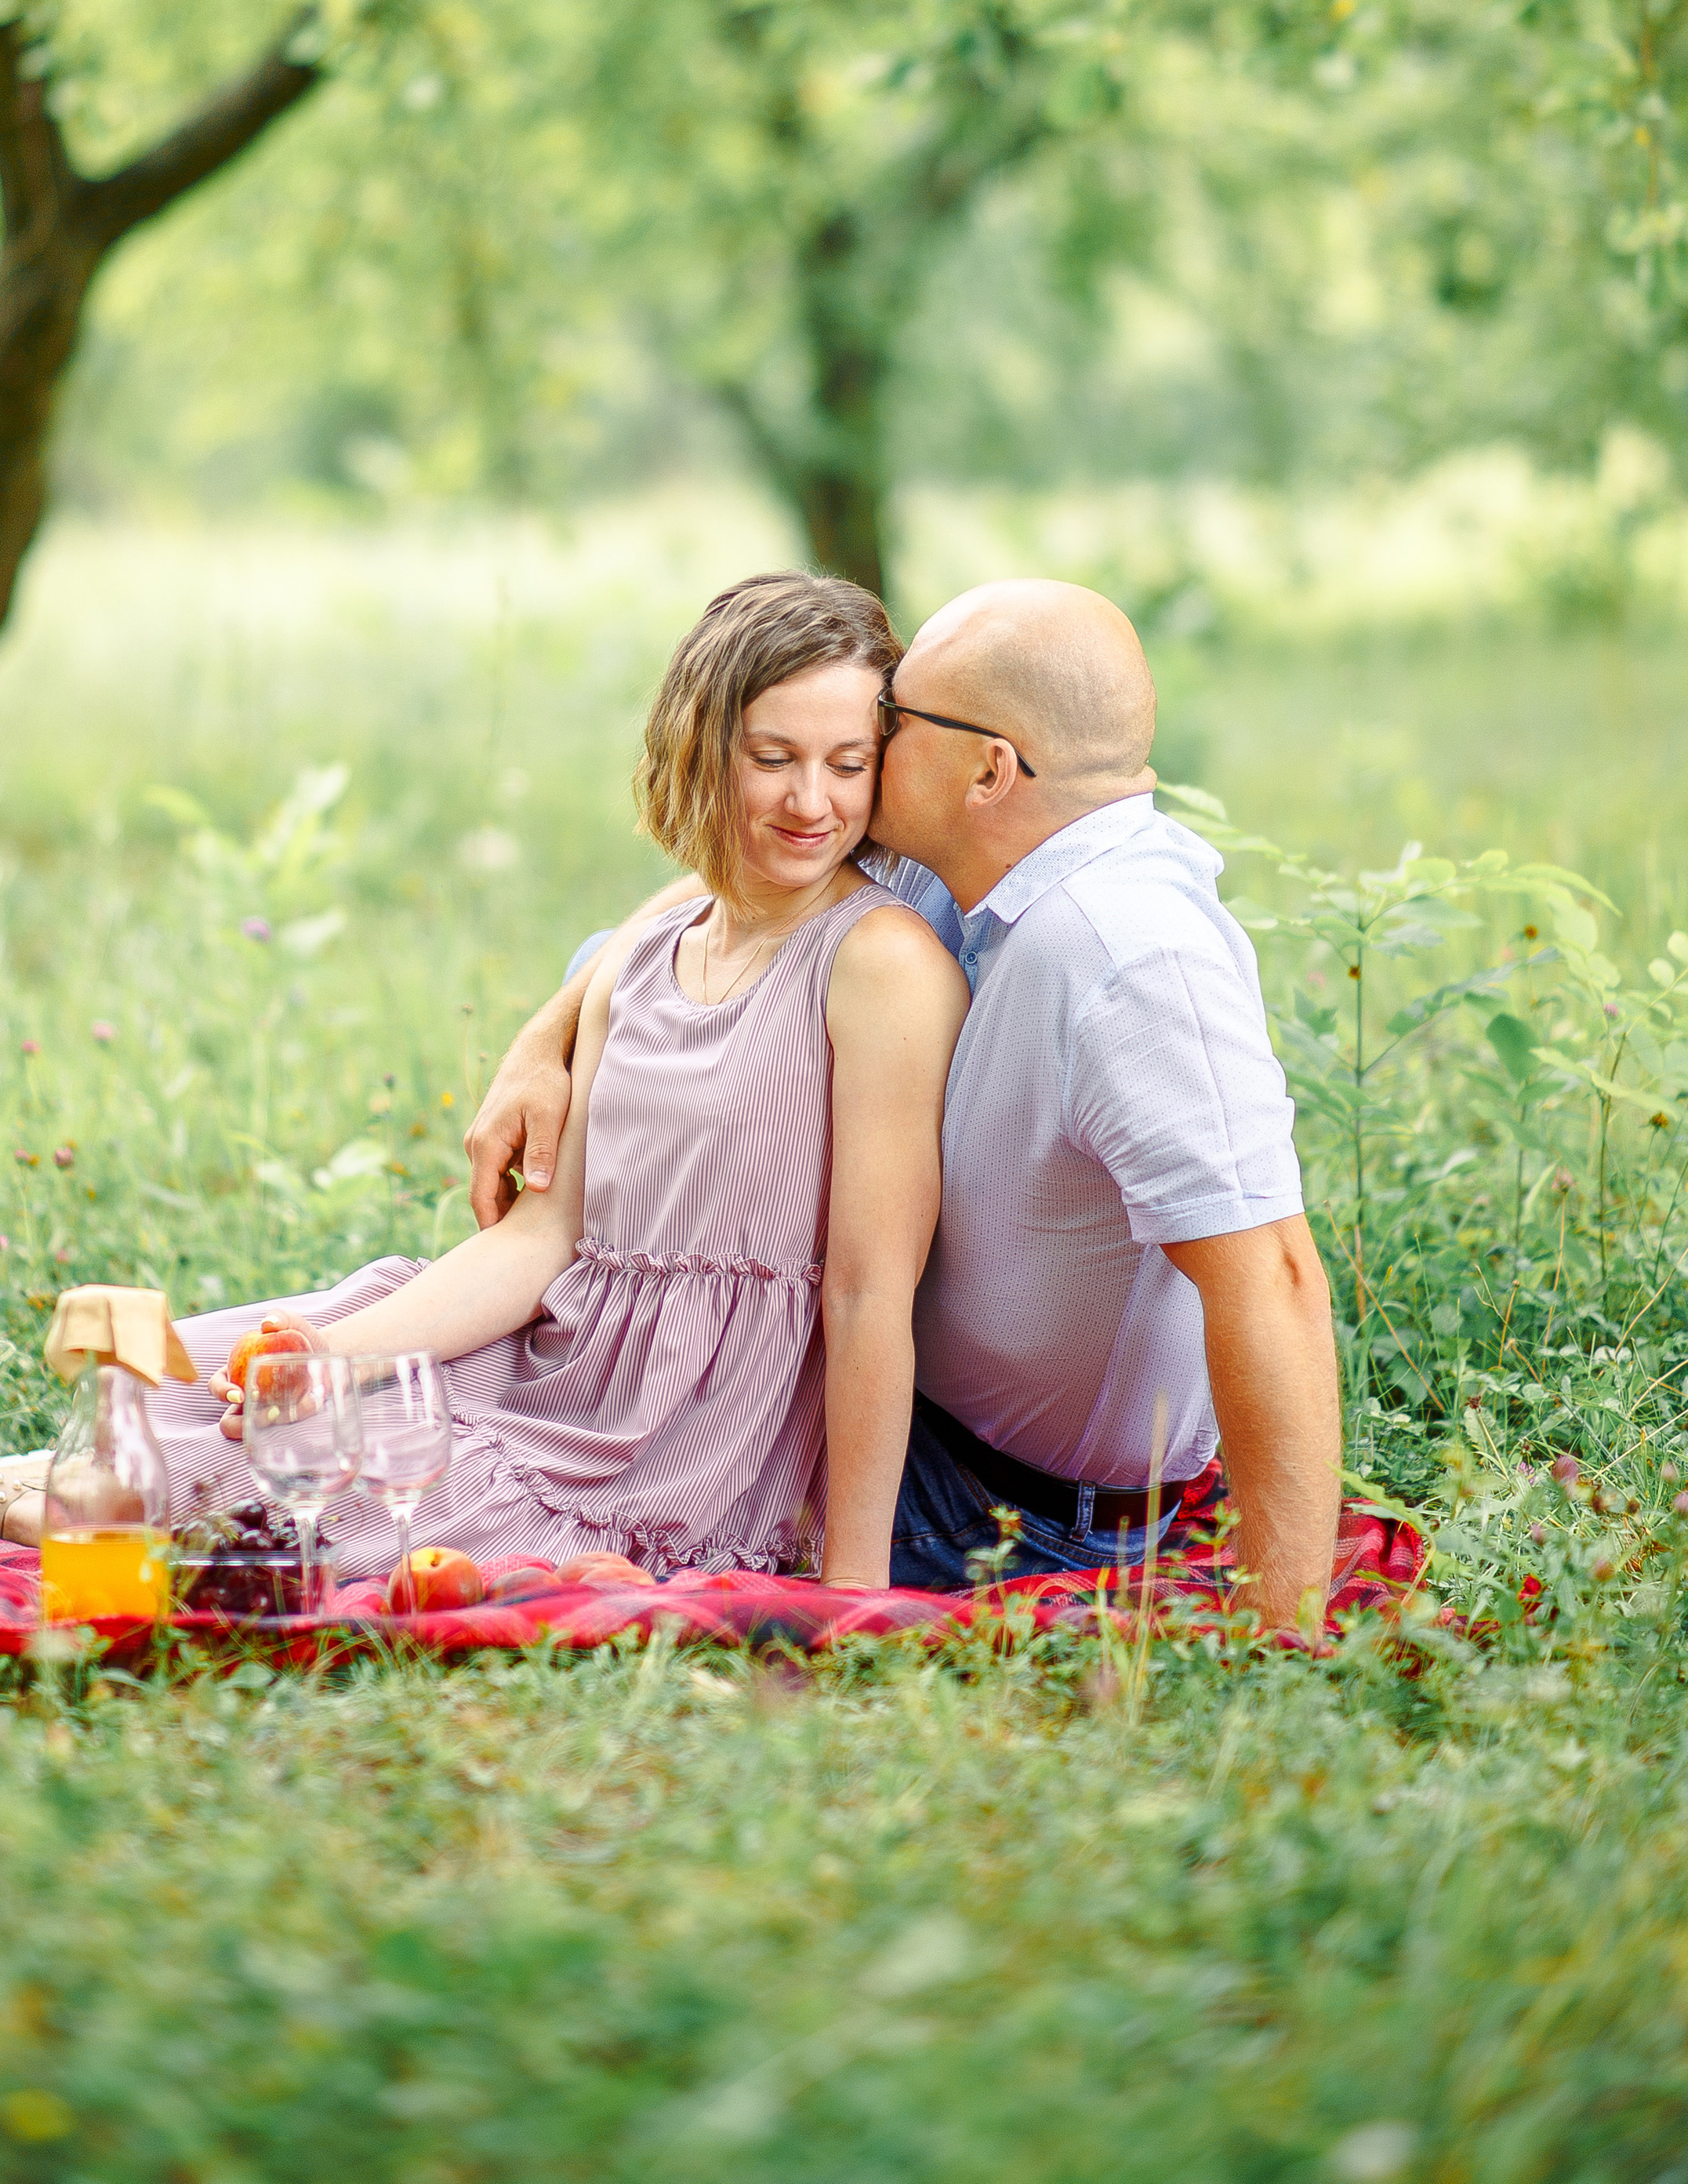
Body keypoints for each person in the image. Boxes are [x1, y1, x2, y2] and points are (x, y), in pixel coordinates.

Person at [0, 573, 966, 1587]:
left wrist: (855, 1588)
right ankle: (33, 1487)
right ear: (699, 751)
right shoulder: (639, 961)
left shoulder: (878, 968)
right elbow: (542, 1242)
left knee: (303, 1517)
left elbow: (870, 1293)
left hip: (676, 1440)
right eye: (774, 758)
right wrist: (337, 1356)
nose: (812, 801)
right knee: (229, 1393)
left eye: (848, 764)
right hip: (547, 1363)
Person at [468, 577, 1341, 1629]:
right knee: (468, 1383)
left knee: (478, 1475)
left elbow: (1276, 1276)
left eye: (892, 719)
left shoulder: (1127, 958)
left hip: (1004, 1506)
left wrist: (1286, 1631)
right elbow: (723, 891)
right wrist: (549, 1030)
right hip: (888, 1397)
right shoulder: (976, 852)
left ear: (989, 769)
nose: (864, 743)